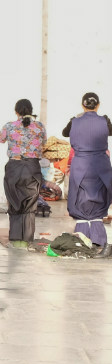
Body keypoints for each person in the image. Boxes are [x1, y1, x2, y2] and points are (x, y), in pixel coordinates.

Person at [61, 92, 112, 248]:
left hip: (81, 165)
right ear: (98, 105)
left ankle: (82, 241)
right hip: (101, 166)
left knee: (79, 198)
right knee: (100, 198)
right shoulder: (105, 121)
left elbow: (64, 133)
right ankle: (99, 241)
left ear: (83, 105)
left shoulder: (74, 122)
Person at [0, 99, 47, 247]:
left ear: (16, 111)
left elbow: (0, 139)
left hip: (14, 167)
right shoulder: (39, 126)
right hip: (32, 168)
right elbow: (44, 142)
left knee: (14, 202)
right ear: (31, 110)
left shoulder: (10, 126)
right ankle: (27, 239)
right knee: (30, 204)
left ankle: (16, 238)